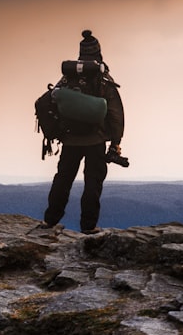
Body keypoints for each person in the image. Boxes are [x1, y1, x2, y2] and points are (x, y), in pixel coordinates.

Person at [42, 30, 125, 233]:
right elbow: (116, 115)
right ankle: (88, 226)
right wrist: (116, 142)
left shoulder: (67, 78)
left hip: (70, 139)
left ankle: (50, 221)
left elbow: (53, 101)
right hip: (95, 140)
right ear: (99, 53)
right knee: (92, 183)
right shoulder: (104, 81)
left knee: (63, 179)